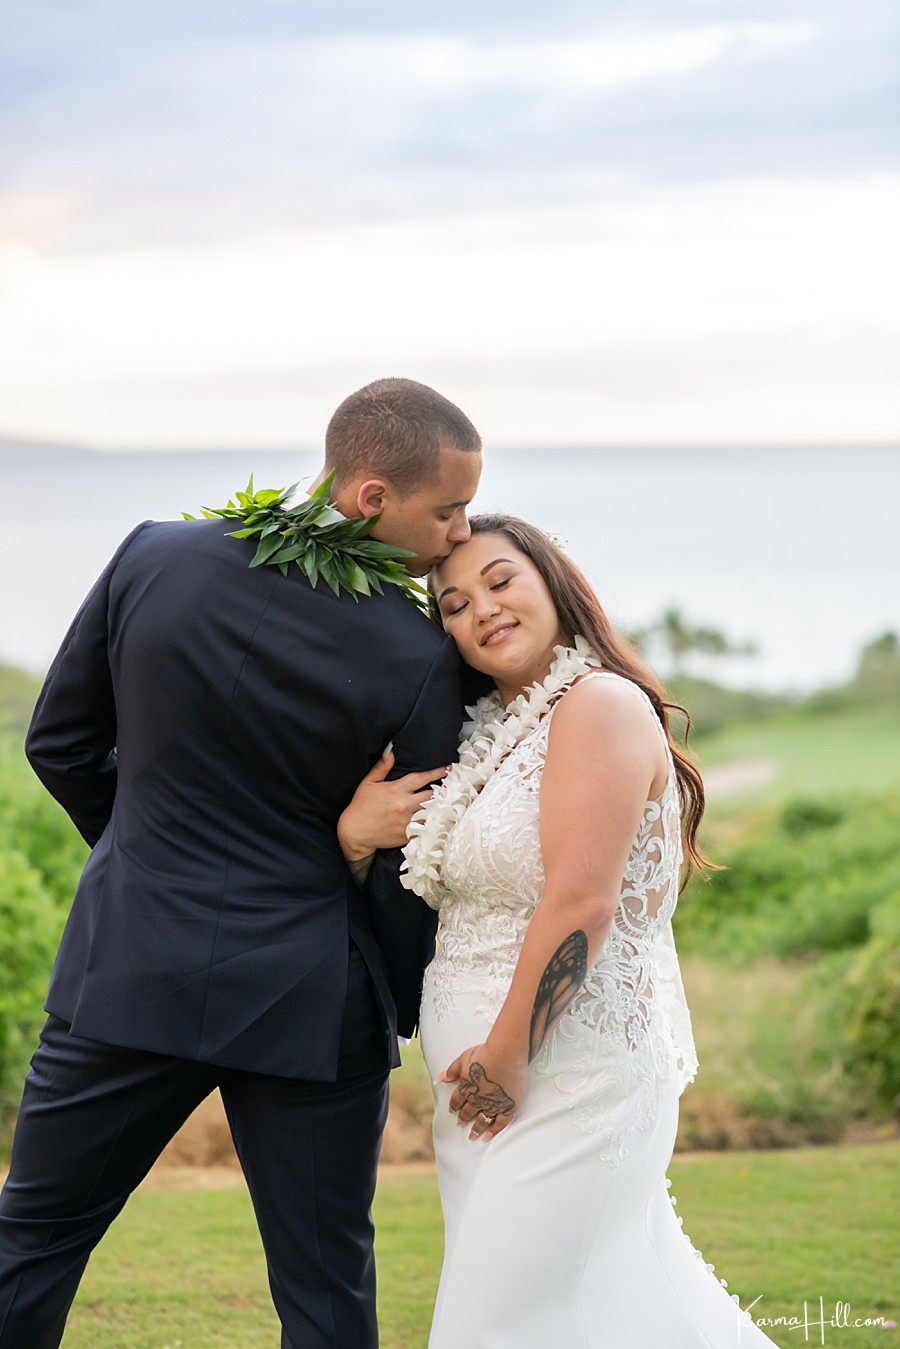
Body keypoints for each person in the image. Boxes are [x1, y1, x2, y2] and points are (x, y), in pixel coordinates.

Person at [0, 377, 482, 1349]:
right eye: (447, 509)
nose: (461, 535)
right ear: (371, 497)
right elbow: (408, 858)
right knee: (324, 1288)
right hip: (311, 1002)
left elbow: (57, 741)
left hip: (131, 969)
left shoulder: (153, 555)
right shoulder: (422, 652)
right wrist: (404, 999)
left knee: (32, 1239)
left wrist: (149, 857)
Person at [339, 514, 780, 1348]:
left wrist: (507, 1055)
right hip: (482, 1096)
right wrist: (357, 834)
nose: (481, 611)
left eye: (501, 581)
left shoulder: (598, 705)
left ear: (553, 580)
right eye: (454, 603)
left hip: (562, 1076)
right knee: (601, 1314)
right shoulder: (494, 739)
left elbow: (581, 902)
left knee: (491, 1325)